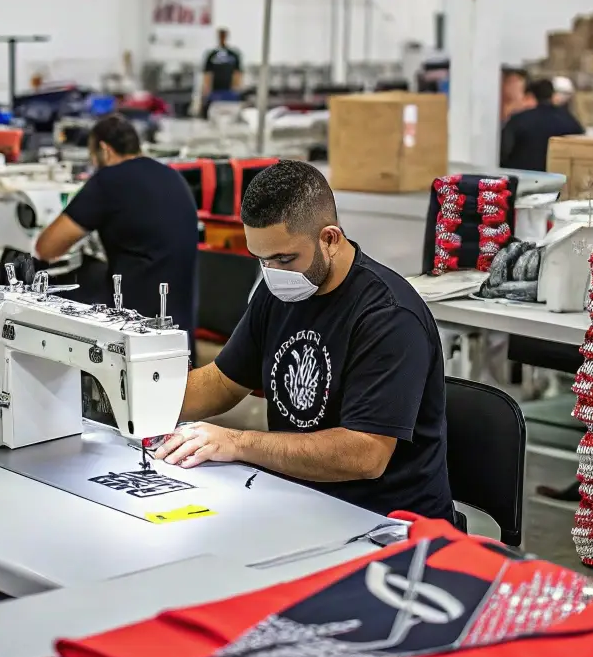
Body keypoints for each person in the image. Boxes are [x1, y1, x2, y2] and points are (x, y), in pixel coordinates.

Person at [154, 160, 453, 520]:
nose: (273, 272)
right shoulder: (278, 291)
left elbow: (365, 454)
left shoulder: (388, 316)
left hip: (383, 522)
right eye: (262, 259)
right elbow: (222, 382)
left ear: (330, 238)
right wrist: (139, 399)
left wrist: (237, 442)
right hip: (300, 498)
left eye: (284, 257)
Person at [34, 113, 199, 346]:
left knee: (59, 289)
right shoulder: (172, 176)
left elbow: (47, 248)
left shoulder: (109, 180)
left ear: (104, 149)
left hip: (135, 329)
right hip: (180, 329)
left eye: (92, 155)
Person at [499, 78, 585, 172]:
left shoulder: (519, 119)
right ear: (552, 95)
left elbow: (503, 151)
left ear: (532, 96)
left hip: (523, 177)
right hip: (557, 178)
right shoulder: (569, 121)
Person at [197, 28, 242, 116]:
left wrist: (236, 89)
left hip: (229, 91)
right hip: (215, 90)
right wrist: (206, 92)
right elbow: (207, 74)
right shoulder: (212, 55)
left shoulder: (233, 54)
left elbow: (237, 73)